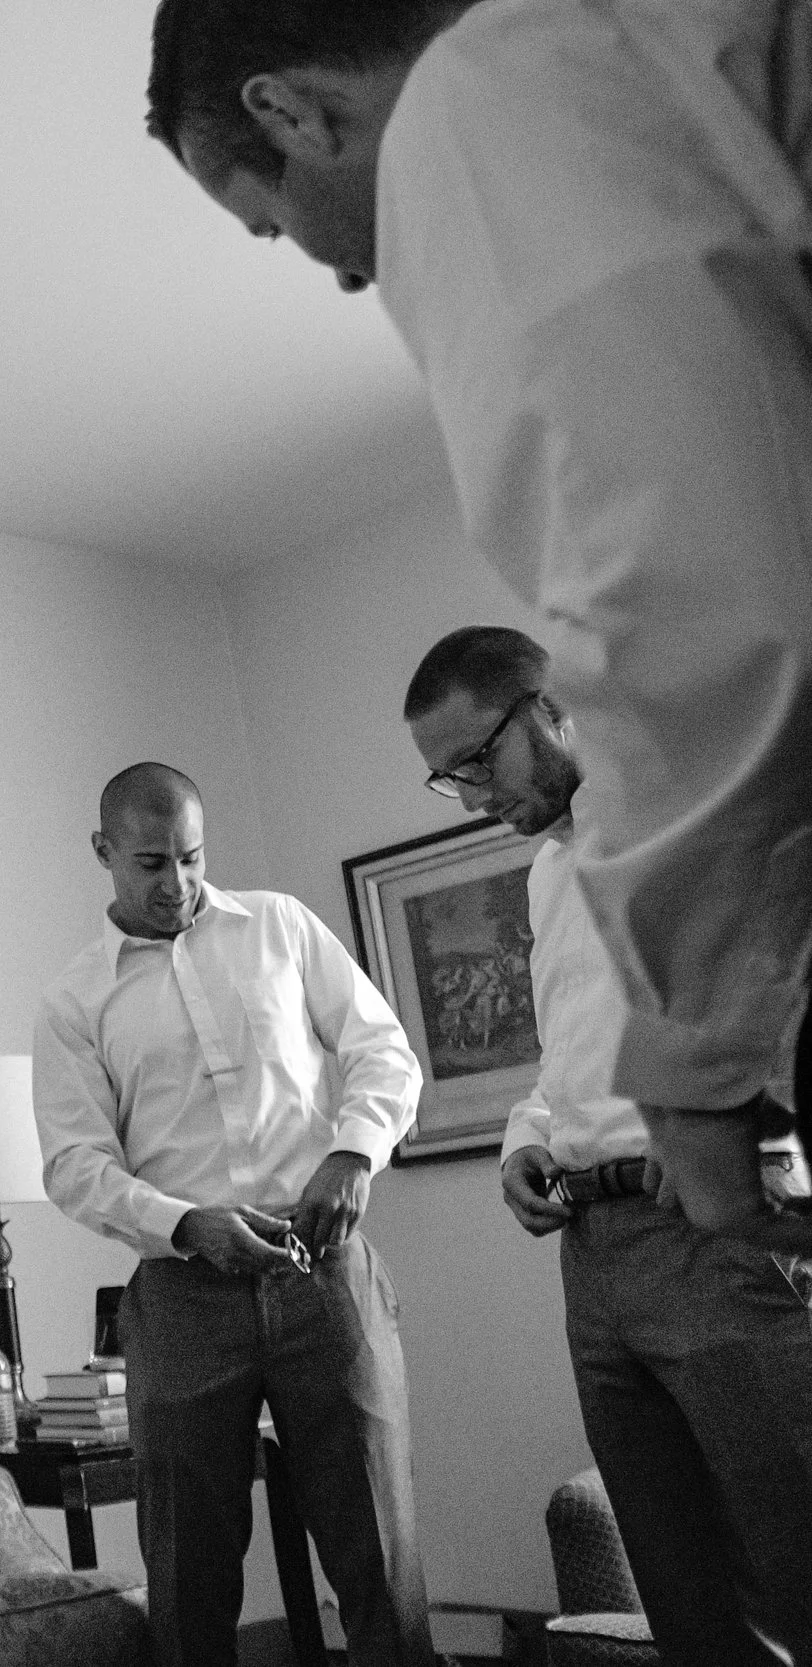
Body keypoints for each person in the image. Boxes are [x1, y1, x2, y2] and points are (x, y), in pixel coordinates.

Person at [143, 0, 811, 1255]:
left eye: (273, 222)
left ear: (287, 109)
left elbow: (701, 593)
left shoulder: (483, 99)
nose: (336, 267)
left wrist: (698, 1058)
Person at [404, 626, 812, 1663]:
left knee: (797, 1565)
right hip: (594, 1261)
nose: (471, 793)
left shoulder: (697, 813)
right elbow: (572, 1051)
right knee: (686, 1601)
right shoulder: (545, 873)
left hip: (712, 1233)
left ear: (544, 702)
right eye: (444, 778)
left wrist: (745, 1131)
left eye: (475, 760)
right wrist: (523, 1139)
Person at [32, 763, 432, 1667]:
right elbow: (74, 1165)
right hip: (182, 1297)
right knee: (190, 1570)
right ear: (102, 853)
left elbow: (383, 1051)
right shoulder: (72, 1002)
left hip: (323, 1269)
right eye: (149, 863)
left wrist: (352, 1152)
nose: (176, 884)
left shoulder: (281, 927)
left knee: (377, 1549)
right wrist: (184, 1222)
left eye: (191, 857)